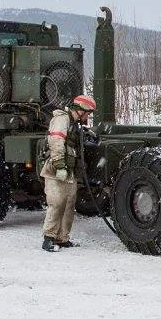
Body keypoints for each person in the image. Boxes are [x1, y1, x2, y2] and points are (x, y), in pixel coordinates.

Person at [41, 94, 96, 252]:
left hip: (69, 170)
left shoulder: (74, 123)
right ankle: (49, 238)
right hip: (55, 169)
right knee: (57, 203)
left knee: (69, 204)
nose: (88, 116)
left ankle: (62, 238)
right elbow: (56, 142)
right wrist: (59, 166)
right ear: (80, 110)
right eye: (87, 112)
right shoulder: (62, 119)